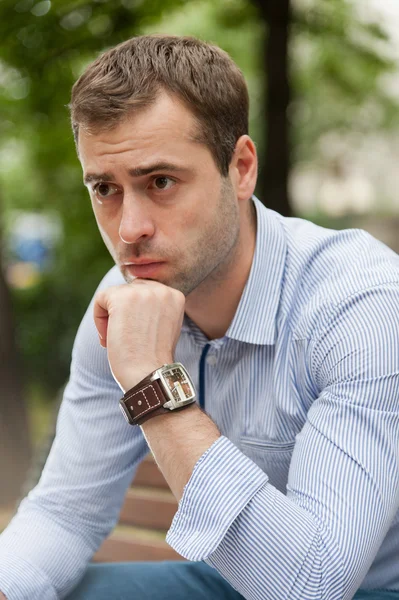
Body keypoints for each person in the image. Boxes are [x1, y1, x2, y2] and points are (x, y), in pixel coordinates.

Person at [0, 34, 398, 600]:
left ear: (239, 168)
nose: (128, 228)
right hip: (227, 582)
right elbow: (66, 511)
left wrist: (152, 383)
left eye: (160, 181)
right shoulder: (123, 301)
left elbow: (314, 585)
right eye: (105, 189)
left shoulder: (362, 307)